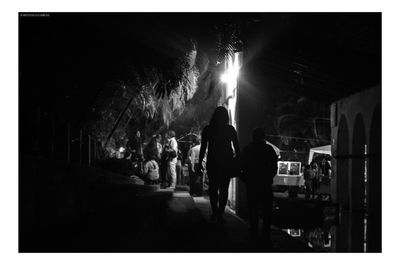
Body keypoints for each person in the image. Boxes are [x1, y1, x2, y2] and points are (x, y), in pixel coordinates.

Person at [198, 106, 240, 223]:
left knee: (213, 188)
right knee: (224, 189)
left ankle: (214, 212)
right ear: (226, 117)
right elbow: (237, 148)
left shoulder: (208, 129)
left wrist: (200, 162)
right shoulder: (230, 129)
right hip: (227, 162)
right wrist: (239, 162)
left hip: (213, 162)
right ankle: (220, 213)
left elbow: (203, 147)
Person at [241, 127, 278, 241]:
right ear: (263, 137)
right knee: (267, 210)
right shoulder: (269, 149)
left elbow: (241, 167)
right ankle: (266, 233)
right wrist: (268, 177)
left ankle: (254, 231)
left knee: (253, 209)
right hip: (265, 184)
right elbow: (274, 167)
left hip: (251, 184)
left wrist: (246, 179)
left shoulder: (247, 149)